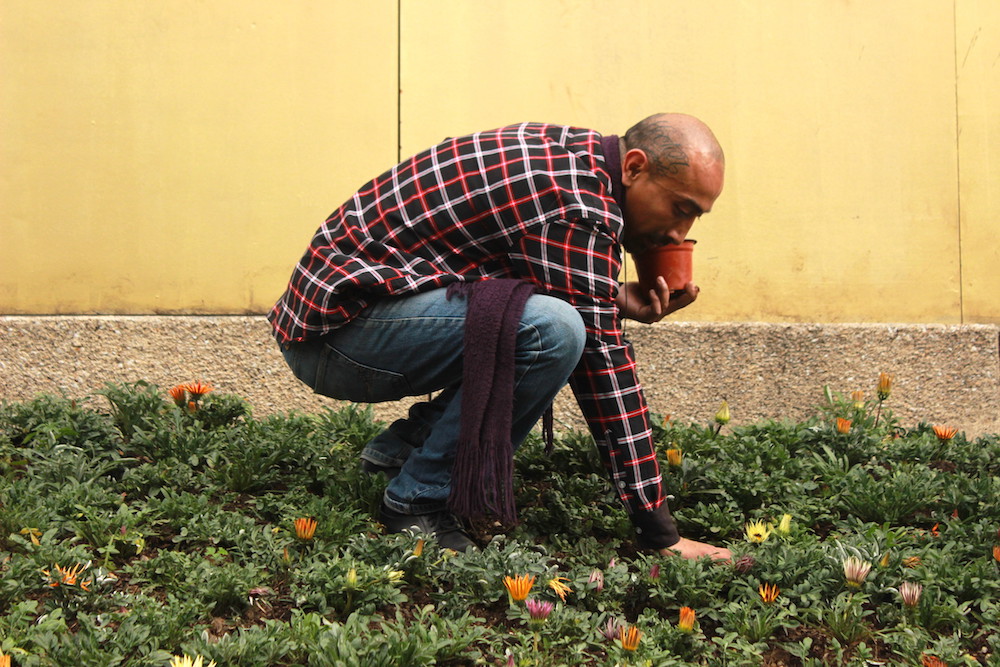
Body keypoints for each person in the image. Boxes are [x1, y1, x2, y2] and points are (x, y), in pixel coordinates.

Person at [269, 113, 730, 561]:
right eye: (680, 208)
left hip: (339, 320)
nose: (679, 232)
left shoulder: (576, 157)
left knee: (548, 320)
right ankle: (420, 498)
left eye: (696, 217)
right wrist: (660, 531)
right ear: (633, 167)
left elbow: (508, 265)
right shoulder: (575, 203)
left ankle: (400, 453)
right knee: (553, 331)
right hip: (337, 337)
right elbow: (601, 366)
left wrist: (613, 299)